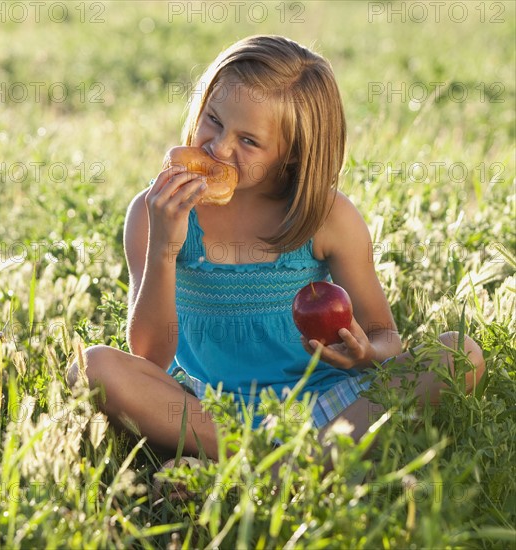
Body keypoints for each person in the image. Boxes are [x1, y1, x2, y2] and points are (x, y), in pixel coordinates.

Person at [68, 35, 485, 461]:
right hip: (204, 407)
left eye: (249, 141)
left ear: (292, 155)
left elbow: (386, 337)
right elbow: (150, 355)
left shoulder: (326, 217)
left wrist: (364, 353)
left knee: (459, 353)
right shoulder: (156, 210)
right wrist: (164, 247)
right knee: (92, 366)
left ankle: (272, 462)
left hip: (323, 405)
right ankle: (283, 463)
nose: (219, 146)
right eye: (213, 119)